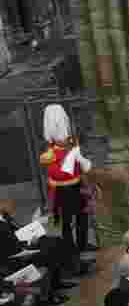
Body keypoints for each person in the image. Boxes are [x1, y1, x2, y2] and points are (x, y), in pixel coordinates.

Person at [38, 104, 94, 256]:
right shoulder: (49, 148)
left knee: (83, 215)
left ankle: (82, 244)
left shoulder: (71, 141)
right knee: (64, 221)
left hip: (76, 183)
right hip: (59, 188)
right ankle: (69, 249)